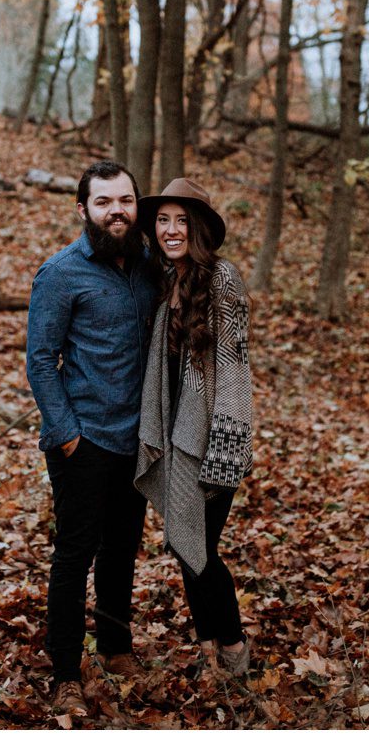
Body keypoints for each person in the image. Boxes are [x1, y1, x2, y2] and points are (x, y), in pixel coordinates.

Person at [25, 161, 158, 716]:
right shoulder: (61, 273)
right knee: (74, 555)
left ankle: (115, 645)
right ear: (83, 209)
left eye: (125, 200)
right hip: (83, 439)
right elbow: (40, 359)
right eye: (104, 202)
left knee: (122, 548)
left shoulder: (152, 266)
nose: (117, 211)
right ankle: (63, 671)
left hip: (138, 439)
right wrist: (66, 435)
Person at [133, 178, 255, 675]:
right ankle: (208, 649)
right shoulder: (167, 279)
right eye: (163, 220)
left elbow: (234, 367)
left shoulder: (222, 278)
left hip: (210, 440)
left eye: (181, 220)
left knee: (202, 551)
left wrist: (224, 451)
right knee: (187, 550)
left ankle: (233, 649)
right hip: (177, 435)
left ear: (198, 227)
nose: (170, 229)